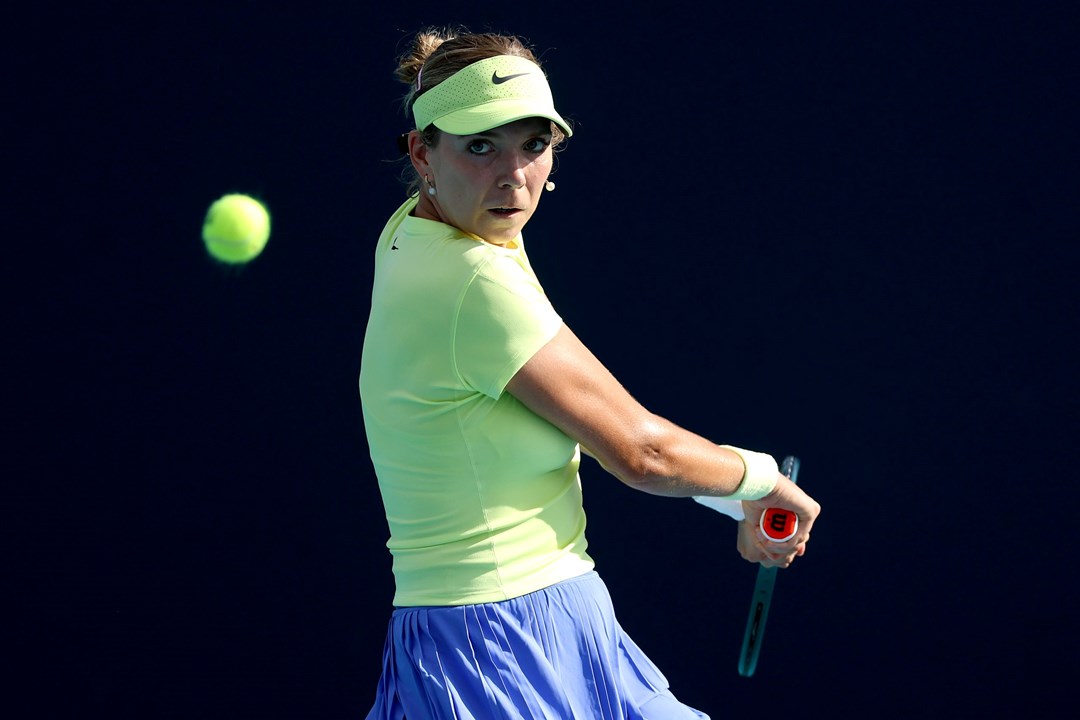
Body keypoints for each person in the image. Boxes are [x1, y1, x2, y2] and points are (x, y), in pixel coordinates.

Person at [358, 27, 821, 720]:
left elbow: (574, 419)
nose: (512, 176)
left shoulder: (422, 230)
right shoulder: (472, 280)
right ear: (423, 152)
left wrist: (730, 500)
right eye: (479, 146)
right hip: (492, 651)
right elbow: (641, 452)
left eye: (533, 145)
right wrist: (760, 479)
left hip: (555, 621)